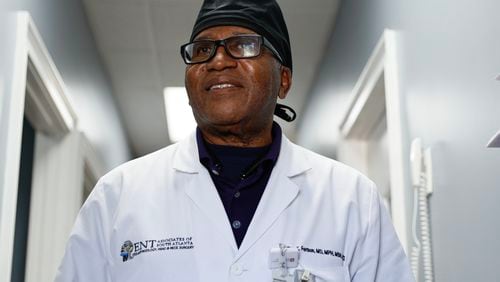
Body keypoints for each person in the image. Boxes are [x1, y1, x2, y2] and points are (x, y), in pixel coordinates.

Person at [55, 0, 414, 281]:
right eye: (202, 50)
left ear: (283, 81)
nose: (218, 61)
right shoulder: (118, 195)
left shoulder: (352, 199)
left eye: (243, 45)